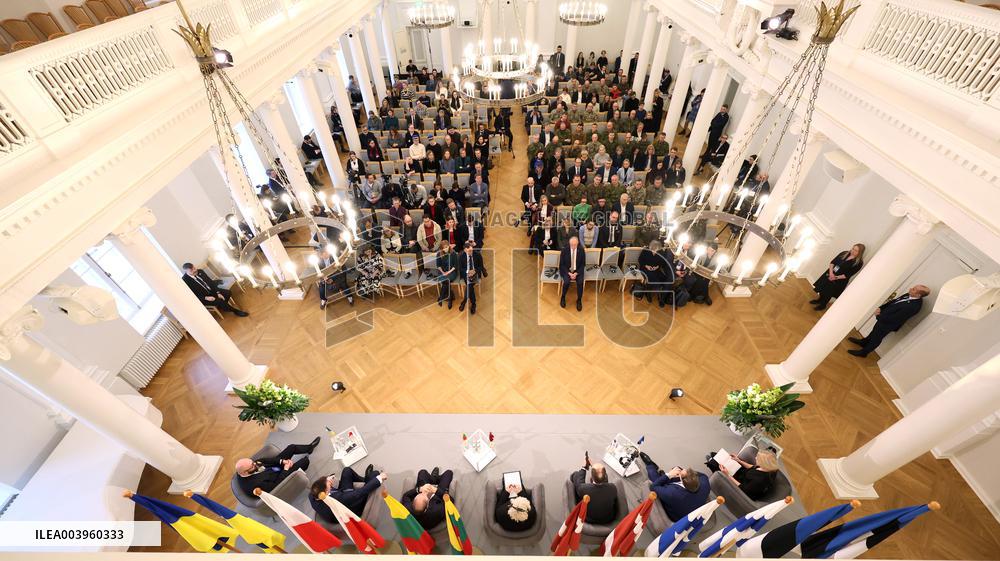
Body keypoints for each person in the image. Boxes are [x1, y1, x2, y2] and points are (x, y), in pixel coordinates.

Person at [847, 285, 930, 357]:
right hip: (883, 317)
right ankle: (864, 342)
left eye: (914, 289)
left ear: (918, 294)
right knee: (874, 331)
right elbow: (894, 302)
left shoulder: (914, 306)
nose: (911, 288)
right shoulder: (908, 295)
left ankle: (864, 352)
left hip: (888, 324)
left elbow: (896, 318)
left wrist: (879, 316)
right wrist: (881, 308)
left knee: (877, 338)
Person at [234, 437, 321, 496]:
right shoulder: (255, 484)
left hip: (272, 468)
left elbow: (265, 460)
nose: (255, 464)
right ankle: (298, 472)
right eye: (252, 465)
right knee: (305, 461)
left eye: (253, 462)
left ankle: (309, 447)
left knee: (292, 447)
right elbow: (276, 486)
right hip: (279, 478)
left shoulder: (246, 468)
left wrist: (282, 461)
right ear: (245, 472)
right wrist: (286, 469)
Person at [639, 452, 710, 522]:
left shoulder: (672, 493)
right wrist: (682, 473)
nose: (683, 470)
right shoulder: (704, 482)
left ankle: (650, 465)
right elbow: (700, 475)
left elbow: (653, 487)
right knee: (677, 468)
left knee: (656, 480)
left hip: (676, 514)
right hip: (690, 503)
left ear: (682, 480)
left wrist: (668, 475)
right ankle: (664, 476)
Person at [309, 465, 386, 521]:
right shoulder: (337, 498)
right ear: (325, 492)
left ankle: (366, 479)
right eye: (329, 484)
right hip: (353, 507)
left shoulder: (313, 495)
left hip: (343, 497)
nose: (331, 483)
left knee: (347, 470)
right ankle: (368, 479)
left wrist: (327, 479)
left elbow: (318, 487)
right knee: (375, 474)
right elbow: (359, 493)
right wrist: (379, 478)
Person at [705, 449, 779, 502]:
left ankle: (712, 462)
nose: (755, 458)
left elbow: (743, 488)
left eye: (757, 458)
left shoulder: (759, 481)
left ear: (763, 463)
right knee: (717, 455)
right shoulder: (769, 468)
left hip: (741, 485)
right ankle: (713, 459)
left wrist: (727, 475)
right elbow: (753, 467)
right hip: (745, 475)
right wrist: (739, 460)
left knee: (714, 463)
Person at [811, 244, 865, 310]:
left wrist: (835, 277)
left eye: (856, 250)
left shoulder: (859, 263)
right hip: (830, 273)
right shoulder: (844, 253)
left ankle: (823, 305)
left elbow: (848, 274)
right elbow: (832, 262)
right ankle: (819, 300)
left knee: (828, 293)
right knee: (823, 288)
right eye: (853, 248)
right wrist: (831, 273)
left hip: (839, 280)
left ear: (860, 253)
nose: (853, 251)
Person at [181, 263, 248, 317]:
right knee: (220, 301)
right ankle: (235, 311)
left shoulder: (200, 271)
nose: (195, 270)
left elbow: (210, 282)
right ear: (186, 271)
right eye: (191, 271)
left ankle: (222, 306)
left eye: (194, 268)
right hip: (204, 297)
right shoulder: (185, 280)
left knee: (228, 293)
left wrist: (218, 292)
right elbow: (192, 294)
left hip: (212, 291)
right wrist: (206, 297)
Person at [570, 458, 617, 525]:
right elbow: (603, 477)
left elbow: (579, 482)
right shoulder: (613, 488)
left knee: (575, 475)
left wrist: (584, 468)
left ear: (591, 478)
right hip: (607, 519)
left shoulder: (583, 489)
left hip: (588, 519)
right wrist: (595, 467)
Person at [635, 240, 674, 307]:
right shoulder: (645, 250)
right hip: (645, 268)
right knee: (652, 278)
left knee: (664, 279)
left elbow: (663, 262)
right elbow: (640, 260)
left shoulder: (661, 252)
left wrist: (657, 267)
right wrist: (646, 266)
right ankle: (648, 293)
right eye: (653, 249)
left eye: (656, 250)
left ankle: (661, 296)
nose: (655, 251)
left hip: (656, 269)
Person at [458, 241, 486, 314]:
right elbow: (460, 268)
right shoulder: (461, 256)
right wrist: (468, 272)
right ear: (465, 250)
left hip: (475, 273)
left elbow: (481, 266)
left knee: (469, 285)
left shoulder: (477, 255)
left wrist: (474, 271)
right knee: (470, 286)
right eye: (469, 251)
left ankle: (464, 301)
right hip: (466, 274)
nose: (471, 252)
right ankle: (473, 304)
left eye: (471, 250)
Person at [560, 236, 587, 311]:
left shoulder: (581, 250)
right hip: (567, 270)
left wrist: (576, 273)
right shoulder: (564, 250)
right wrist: (569, 273)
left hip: (577, 270)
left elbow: (583, 264)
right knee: (566, 282)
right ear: (569, 243)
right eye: (571, 244)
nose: (573, 246)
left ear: (578, 243)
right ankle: (563, 297)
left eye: (575, 244)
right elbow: (562, 264)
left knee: (580, 282)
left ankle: (579, 300)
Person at [435, 240, 459, 308]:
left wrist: (448, 272)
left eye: (447, 247)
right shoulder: (439, 254)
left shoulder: (453, 253)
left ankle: (441, 297)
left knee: (446, 281)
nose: (446, 248)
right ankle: (450, 299)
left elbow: (455, 266)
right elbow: (438, 265)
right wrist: (443, 272)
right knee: (446, 282)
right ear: (441, 248)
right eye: (444, 247)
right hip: (442, 272)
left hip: (452, 271)